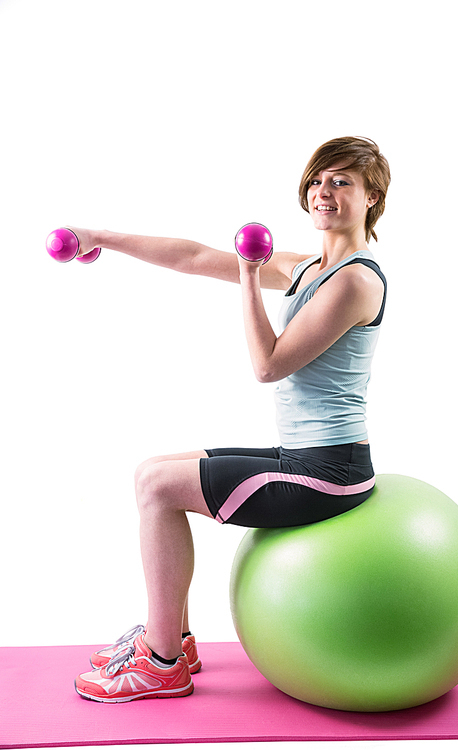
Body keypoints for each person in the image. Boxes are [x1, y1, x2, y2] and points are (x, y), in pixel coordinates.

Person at [74, 135, 391, 702]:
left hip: (329, 474)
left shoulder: (355, 281)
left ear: (372, 197)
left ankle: (161, 662)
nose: (324, 191)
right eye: (318, 180)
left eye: (342, 181)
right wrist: (100, 238)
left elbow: (267, 366)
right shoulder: (308, 268)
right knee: (156, 468)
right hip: (305, 458)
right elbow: (194, 257)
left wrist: (248, 276)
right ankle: (171, 637)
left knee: (157, 486)